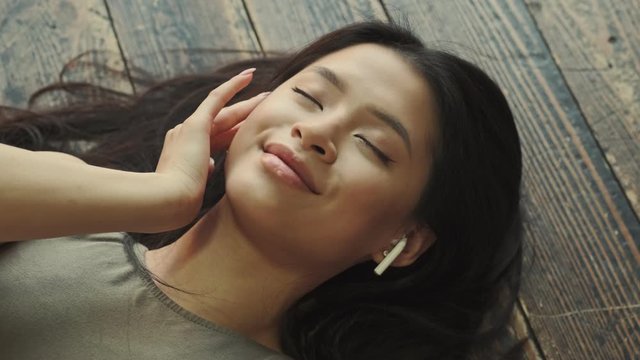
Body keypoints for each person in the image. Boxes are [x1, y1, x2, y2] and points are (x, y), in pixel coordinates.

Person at [0, 20, 525, 359]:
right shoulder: (62, 217)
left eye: (373, 145)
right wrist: (161, 197)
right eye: (310, 97)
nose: (316, 134)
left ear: (403, 240)